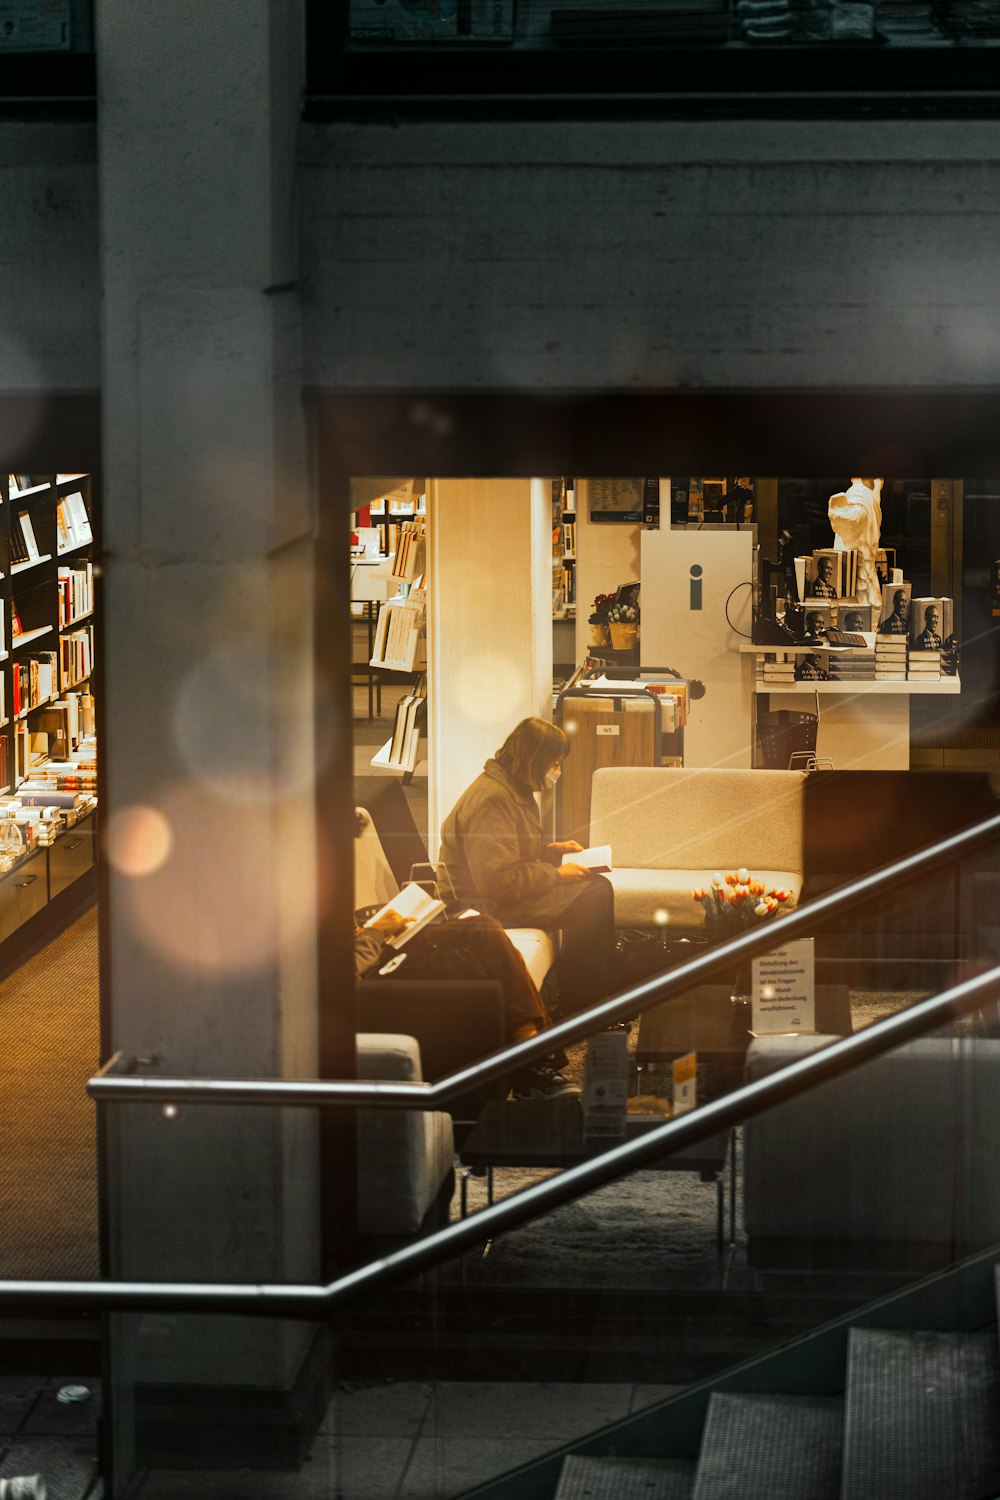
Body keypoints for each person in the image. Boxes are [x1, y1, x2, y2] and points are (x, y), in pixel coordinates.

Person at [354, 815, 576, 1099]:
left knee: (482, 929)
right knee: (481, 942)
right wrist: (374, 934)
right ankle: (532, 1059)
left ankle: (531, 1053)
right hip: (375, 967)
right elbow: (347, 966)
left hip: (379, 941)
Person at [436, 717, 617, 1018]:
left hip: (495, 895)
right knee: (592, 896)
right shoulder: (493, 801)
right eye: (553, 763)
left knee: (598, 888)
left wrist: (550, 852)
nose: (556, 771)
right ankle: (584, 1005)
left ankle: (600, 996)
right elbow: (497, 881)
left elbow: (510, 850)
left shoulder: (510, 788)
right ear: (534, 759)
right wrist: (556, 873)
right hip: (480, 904)